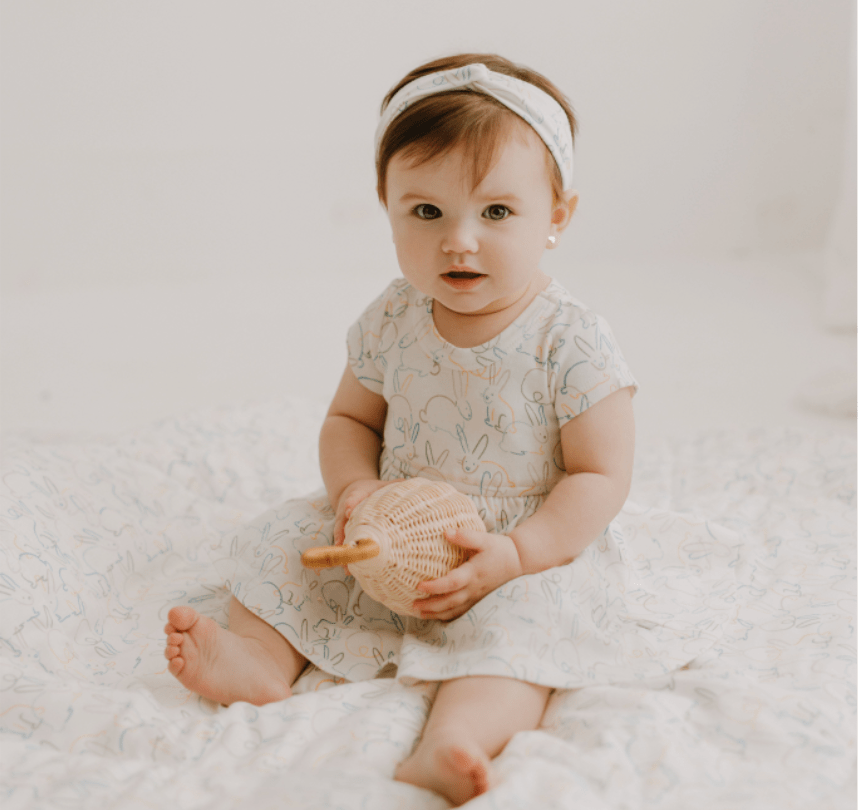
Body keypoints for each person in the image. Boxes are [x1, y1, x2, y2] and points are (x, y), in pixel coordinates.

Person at [162, 53, 738, 806]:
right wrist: (356, 488)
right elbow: (349, 420)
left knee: (528, 631)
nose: (459, 240)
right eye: (427, 212)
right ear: (388, 206)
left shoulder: (569, 339)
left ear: (556, 216)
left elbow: (600, 476)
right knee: (283, 548)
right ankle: (260, 662)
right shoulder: (393, 317)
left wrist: (520, 553)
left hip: (515, 546)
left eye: (496, 213)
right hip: (389, 532)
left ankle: (453, 739)